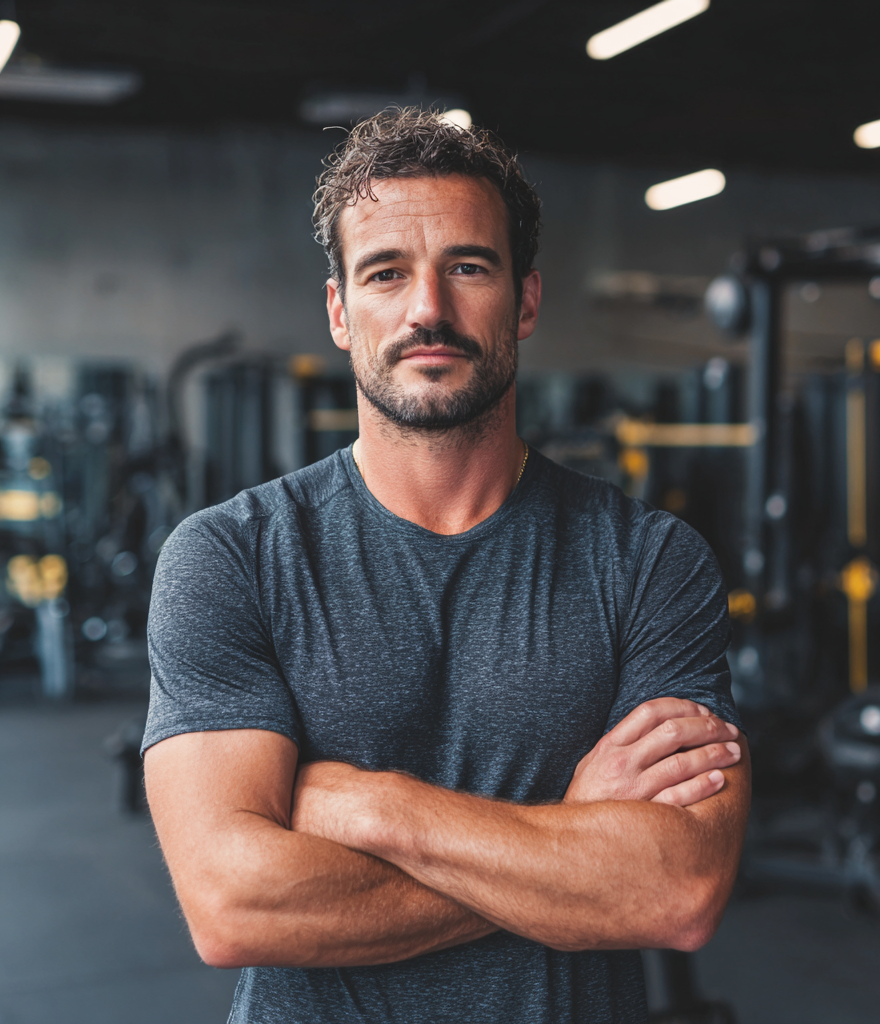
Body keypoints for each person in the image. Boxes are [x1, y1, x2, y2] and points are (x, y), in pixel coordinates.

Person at [143, 107, 750, 1024]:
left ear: (527, 300)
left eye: (468, 267)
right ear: (342, 313)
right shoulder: (231, 557)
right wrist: (572, 837)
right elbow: (232, 905)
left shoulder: (650, 563)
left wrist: (367, 806)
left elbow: (675, 890)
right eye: (387, 273)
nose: (429, 308)